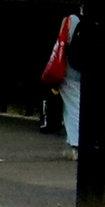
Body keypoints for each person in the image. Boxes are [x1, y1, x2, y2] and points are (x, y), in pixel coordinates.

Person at [43, 8, 84, 153]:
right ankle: (72, 141)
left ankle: (75, 143)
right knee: (77, 104)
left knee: (73, 107)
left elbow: (62, 42)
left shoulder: (71, 20)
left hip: (69, 69)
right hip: (85, 70)